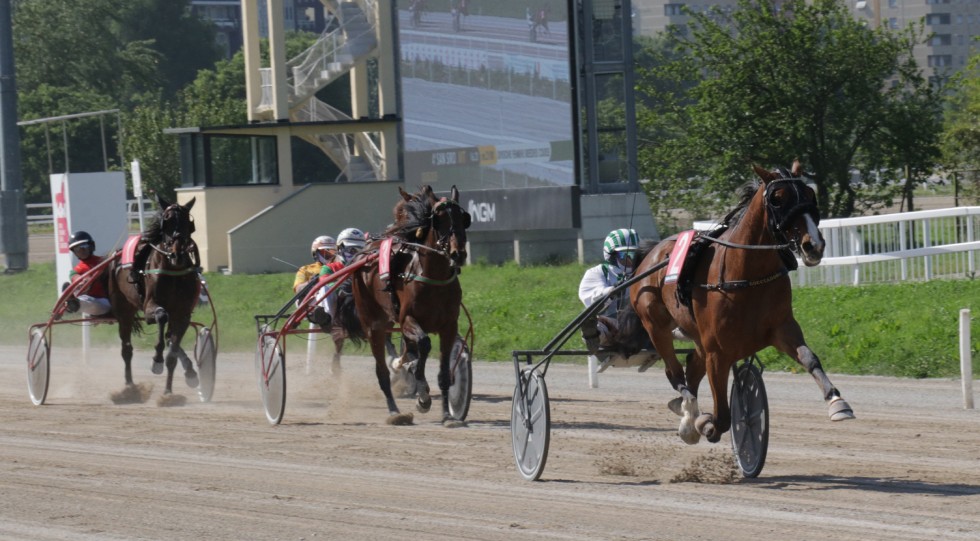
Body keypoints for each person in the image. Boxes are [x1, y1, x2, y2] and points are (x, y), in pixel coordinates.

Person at [578, 228, 639, 360]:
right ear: (612, 255)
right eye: (625, 255)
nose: (630, 260)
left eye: (634, 255)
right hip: (611, 326)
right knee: (596, 322)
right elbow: (590, 298)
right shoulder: (597, 272)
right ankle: (593, 336)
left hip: (639, 325)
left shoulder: (643, 272)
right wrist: (610, 291)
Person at [308, 228, 366, 329]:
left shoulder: (366, 267)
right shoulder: (329, 268)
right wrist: (341, 288)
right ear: (340, 249)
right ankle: (327, 320)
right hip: (338, 301)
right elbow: (325, 283)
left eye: (359, 250)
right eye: (351, 250)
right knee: (324, 289)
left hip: (362, 299)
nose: (355, 254)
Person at [63, 231, 112, 317]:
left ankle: (74, 304)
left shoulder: (105, 261)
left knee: (94, 304)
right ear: (74, 252)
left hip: (107, 300)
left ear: (91, 246)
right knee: (86, 300)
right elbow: (75, 277)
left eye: (83, 247)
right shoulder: (77, 269)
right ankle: (72, 303)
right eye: (77, 249)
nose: (81, 251)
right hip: (89, 300)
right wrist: (82, 280)